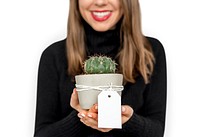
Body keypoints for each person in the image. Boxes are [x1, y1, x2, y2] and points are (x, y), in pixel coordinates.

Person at [34, 0, 167, 137]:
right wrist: (83, 116)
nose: (100, 2)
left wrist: (129, 121)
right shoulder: (54, 55)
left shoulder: (150, 52)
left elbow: (157, 131)